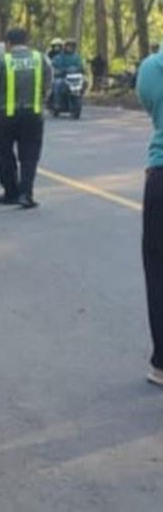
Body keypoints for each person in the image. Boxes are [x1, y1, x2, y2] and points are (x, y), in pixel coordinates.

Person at [0, 27, 53, 209]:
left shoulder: (3, 61)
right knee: (29, 156)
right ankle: (26, 194)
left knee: (3, 153)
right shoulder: (40, 58)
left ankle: (10, 192)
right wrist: (41, 97)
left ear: (8, 43)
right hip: (33, 115)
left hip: (6, 117)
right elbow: (48, 81)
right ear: (27, 41)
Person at [137, 45, 163, 385]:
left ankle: (162, 364)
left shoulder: (152, 67)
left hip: (161, 175)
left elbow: (150, 106)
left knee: (159, 271)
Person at [51, 39, 84, 109]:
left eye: (72, 47)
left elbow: (81, 66)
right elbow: (53, 66)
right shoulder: (59, 57)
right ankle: (57, 102)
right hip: (63, 77)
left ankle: (79, 98)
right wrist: (59, 71)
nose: (70, 48)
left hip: (75, 78)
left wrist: (81, 69)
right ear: (65, 47)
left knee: (85, 82)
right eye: (68, 46)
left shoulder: (77, 57)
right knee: (57, 84)